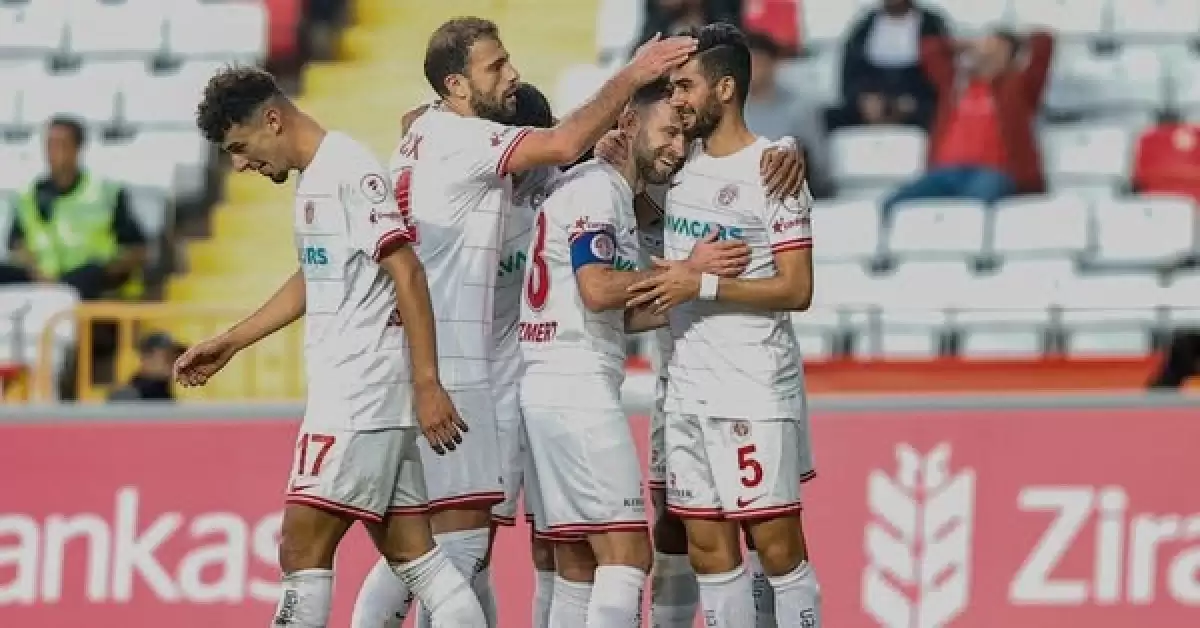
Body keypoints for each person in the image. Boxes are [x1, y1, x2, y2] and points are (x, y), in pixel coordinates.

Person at [348, 16, 697, 627]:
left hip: (477, 370)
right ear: (457, 86)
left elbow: (421, 121)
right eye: (496, 65)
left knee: (474, 550)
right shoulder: (476, 148)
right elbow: (561, 150)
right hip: (456, 369)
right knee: (452, 551)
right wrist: (634, 75)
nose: (510, 72)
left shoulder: (439, 137)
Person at [174, 65, 485, 628]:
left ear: (273, 120)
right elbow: (314, 278)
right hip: (362, 395)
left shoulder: (348, 170)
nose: (240, 165)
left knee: (301, 548)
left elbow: (407, 271)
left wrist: (427, 382)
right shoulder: (314, 176)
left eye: (240, 148)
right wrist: (232, 341)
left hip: (358, 396)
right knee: (418, 560)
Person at [628, 23, 820, 626]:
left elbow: (797, 289)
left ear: (727, 89)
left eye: (686, 85)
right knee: (707, 546)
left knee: (776, 543)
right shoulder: (676, 166)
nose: (677, 98)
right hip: (686, 389)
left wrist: (701, 284)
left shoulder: (773, 171)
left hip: (752, 386)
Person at [882, 28, 1054, 222]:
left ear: (1010, 59)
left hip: (993, 172)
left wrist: (1016, 41)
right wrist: (964, 44)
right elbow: (929, 49)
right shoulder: (954, 85)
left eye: (997, 51)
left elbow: (1044, 44)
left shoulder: (1019, 87)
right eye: (984, 48)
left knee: (970, 212)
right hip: (944, 172)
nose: (987, 55)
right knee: (892, 206)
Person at [0, 116, 147, 299]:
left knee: (91, 272)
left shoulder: (107, 193)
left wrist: (107, 272)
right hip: (41, 282)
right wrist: (36, 273)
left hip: (90, 286)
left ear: (78, 149)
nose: (53, 152)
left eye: (61, 144)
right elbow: (16, 245)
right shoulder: (27, 196)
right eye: (49, 145)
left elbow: (137, 250)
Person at [829, 0, 949, 132]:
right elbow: (851, 73)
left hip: (916, 101)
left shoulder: (931, 25)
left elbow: (942, 76)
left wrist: (910, 104)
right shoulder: (865, 26)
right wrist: (863, 98)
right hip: (871, 101)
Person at [107, 332, 186, 401]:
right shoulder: (125, 396)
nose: (175, 361)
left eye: (177, 356)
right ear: (146, 358)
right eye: (168, 356)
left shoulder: (164, 392)